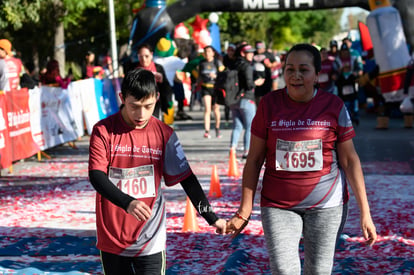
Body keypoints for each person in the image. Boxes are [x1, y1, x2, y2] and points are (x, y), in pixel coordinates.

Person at [226, 43, 377, 275]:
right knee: (284, 270)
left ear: (317, 75)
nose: (296, 76)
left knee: (318, 271)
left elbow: (350, 161)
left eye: (304, 70)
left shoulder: (333, 106)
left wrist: (365, 213)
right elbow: (254, 160)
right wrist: (244, 210)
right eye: (290, 69)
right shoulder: (269, 104)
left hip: (326, 205)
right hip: (278, 205)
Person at [88, 68, 227, 275]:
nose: (141, 114)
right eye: (134, 106)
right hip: (113, 237)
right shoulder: (103, 131)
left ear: (157, 98)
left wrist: (211, 217)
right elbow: (96, 176)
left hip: (150, 238)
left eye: (148, 106)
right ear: (122, 98)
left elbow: (187, 178)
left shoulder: (164, 133)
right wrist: (127, 202)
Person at [229, 44, 264, 159]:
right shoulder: (247, 67)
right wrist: (257, 83)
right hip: (247, 99)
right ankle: (247, 151)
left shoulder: (233, 64)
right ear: (243, 53)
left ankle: (232, 149)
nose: (252, 54)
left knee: (237, 126)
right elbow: (249, 85)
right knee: (250, 127)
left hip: (234, 100)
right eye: (249, 52)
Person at [128, 43, 172, 121]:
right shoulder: (133, 69)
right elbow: (128, 86)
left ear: (151, 55)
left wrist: (161, 80)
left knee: (154, 125)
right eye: (141, 56)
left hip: (154, 103)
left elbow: (166, 87)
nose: (144, 59)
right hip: (137, 103)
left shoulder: (158, 68)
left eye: (146, 56)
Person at [197, 45, 225, 138]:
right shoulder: (201, 63)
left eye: (209, 51)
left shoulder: (217, 62)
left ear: (213, 53)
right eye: (205, 52)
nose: (207, 53)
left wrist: (216, 76)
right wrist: (197, 84)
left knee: (216, 109)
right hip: (205, 87)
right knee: (207, 109)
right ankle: (207, 131)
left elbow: (224, 75)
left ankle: (217, 128)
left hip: (215, 88)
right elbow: (199, 75)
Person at [253, 41, 278, 106]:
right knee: (257, 97)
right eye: (257, 48)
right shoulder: (253, 53)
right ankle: (260, 111)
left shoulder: (268, 54)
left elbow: (276, 63)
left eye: (260, 48)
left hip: (266, 79)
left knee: (266, 97)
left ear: (263, 48)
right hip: (256, 79)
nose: (258, 50)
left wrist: (270, 64)